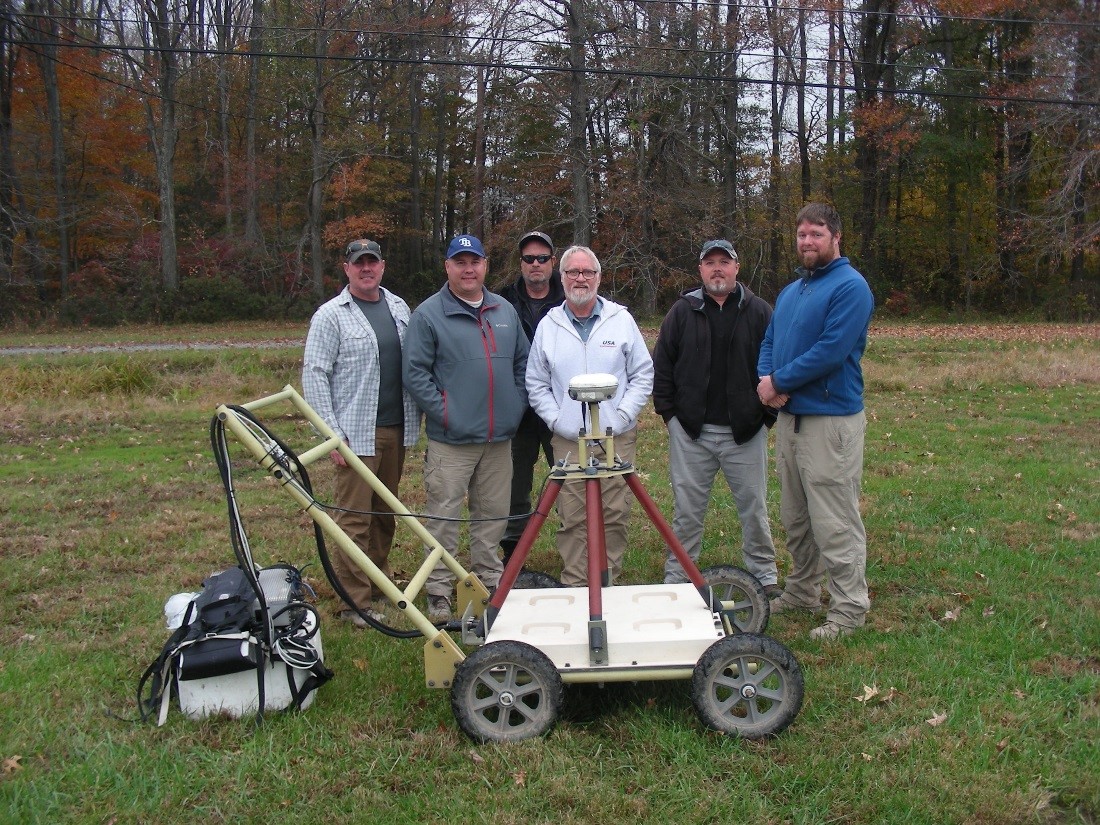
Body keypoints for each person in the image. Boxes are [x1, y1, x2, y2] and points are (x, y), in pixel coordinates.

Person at [757, 203, 874, 640]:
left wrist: (779, 381)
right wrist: (766, 380)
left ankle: (848, 609)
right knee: (797, 516)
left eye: (817, 233)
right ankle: (803, 592)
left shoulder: (850, 288)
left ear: (836, 236)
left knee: (835, 519)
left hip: (830, 422)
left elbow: (830, 350)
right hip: (791, 420)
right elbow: (769, 340)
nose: (807, 241)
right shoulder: (792, 291)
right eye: (802, 233)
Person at [402, 234, 530, 622]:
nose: (468, 268)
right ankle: (440, 590)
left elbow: (523, 365)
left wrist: (514, 406)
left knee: (492, 516)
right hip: (452, 441)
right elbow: (415, 373)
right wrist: (447, 413)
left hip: (498, 439)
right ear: (448, 267)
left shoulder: (504, 310)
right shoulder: (429, 315)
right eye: (460, 262)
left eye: (474, 261)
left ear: (485, 265)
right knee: (444, 516)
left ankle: (489, 582)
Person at [302, 239, 422, 628]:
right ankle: (353, 602)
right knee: (354, 517)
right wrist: (331, 435)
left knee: (385, 513)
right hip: (355, 433)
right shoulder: (331, 315)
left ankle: (379, 583)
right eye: (359, 263)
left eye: (372, 262)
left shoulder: (400, 307)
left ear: (382, 266)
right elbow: (315, 374)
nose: (366, 269)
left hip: (396, 428)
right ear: (347, 268)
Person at [653, 239, 780, 595]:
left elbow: (775, 365)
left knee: (754, 508)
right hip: (692, 433)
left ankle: (765, 576)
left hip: (746, 432)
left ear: (737, 268)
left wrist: (765, 417)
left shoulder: (759, 311)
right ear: (701, 270)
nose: (717, 268)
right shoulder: (682, 311)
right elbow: (662, 367)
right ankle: (678, 577)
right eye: (710, 263)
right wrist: (672, 418)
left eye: (725, 262)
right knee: (687, 511)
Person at [526, 245, 654, 587]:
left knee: (613, 512)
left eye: (588, 272)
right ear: (562, 277)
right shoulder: (548, 325)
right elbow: (536, 382)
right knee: (572, 514)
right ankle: (575, 586)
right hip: (569, 437)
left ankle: (606, 583)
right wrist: (557, 420)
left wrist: (624, 414)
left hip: (615, 435)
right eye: (572, 272)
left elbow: (643, 373)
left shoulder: (621, 320)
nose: (580, 278)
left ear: (598, 277)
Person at [497, 231, 565, 565]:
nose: (535, 264)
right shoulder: (500, 301)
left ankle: (577, 551)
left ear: (553, 261)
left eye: (542, 258)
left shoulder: (571, 298)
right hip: (516, 411)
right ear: (520, 263)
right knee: (513, 484)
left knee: (570, 482)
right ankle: (512, 555)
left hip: (561, 412)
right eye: (528, 259)